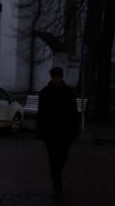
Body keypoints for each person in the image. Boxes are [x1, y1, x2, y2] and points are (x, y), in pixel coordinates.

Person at [37, 66, 80, 195]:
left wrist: (75, 130)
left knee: (62, 157)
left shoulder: (68, 92)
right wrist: (41, 131)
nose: (56, 79)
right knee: (53, 157)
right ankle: (56, 181)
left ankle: (57, 176)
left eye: (57, 76)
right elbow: (41, 114)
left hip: (65, 131)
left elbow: (73, 112)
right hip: (51, 132)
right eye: (54, 76)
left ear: (61, 77)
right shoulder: (45, 92)